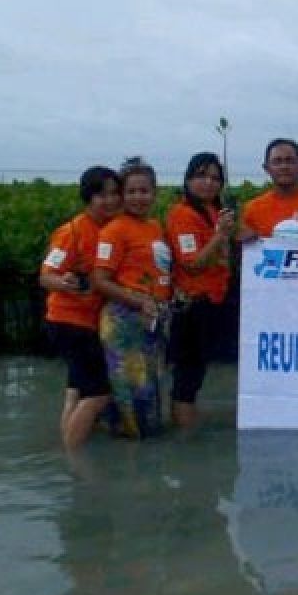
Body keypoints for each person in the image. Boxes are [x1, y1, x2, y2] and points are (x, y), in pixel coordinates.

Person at [40, 166, 123, 448]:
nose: (110, 201)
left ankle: (69, 446)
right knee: (99, 394)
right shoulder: (72, 232)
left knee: (75, 390)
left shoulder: (113, 228)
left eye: (114, 194)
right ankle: (75, 461)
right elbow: (45, 275)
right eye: (102, 195)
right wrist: (63, 282)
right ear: (88, 197)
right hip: (68, 322)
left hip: (89, 322)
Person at [91, 158, 173, 439]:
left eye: (145, 191)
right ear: (122, 195)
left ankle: (144, 467)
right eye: (131, 192)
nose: (139, 197)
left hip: (152, 319)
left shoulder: (155, 226)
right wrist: (138, 302)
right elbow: (99, 280)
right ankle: (129, 466)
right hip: (125, 322)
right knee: (131, 393)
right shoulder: (113, 230)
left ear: (155, 192)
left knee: (151, 390)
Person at [165, 152, 234, 428]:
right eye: (201, 176)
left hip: (215, 301)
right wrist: (221, 236)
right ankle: (184, 439)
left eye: (215, 178)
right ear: (188, 179)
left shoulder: (216, 212)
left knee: (201, 372)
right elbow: (192, 265)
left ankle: (189, 428)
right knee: (188, 376)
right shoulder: (182, 214)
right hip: (192, 305)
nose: (209, 183)